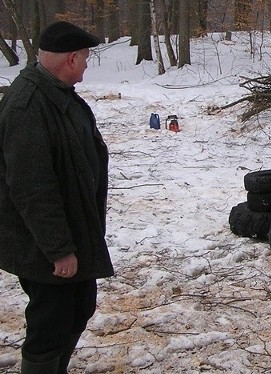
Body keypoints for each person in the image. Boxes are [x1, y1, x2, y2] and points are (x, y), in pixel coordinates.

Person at [0, 21, 113, 373]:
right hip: (42, 242)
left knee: (79, 308)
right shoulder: (28, 105)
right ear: (71, 58)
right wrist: (59, 249)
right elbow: (32, 188)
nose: (87, 64)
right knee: (51, 321)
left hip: (72, 228)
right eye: (85, 58)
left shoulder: (58, 92)